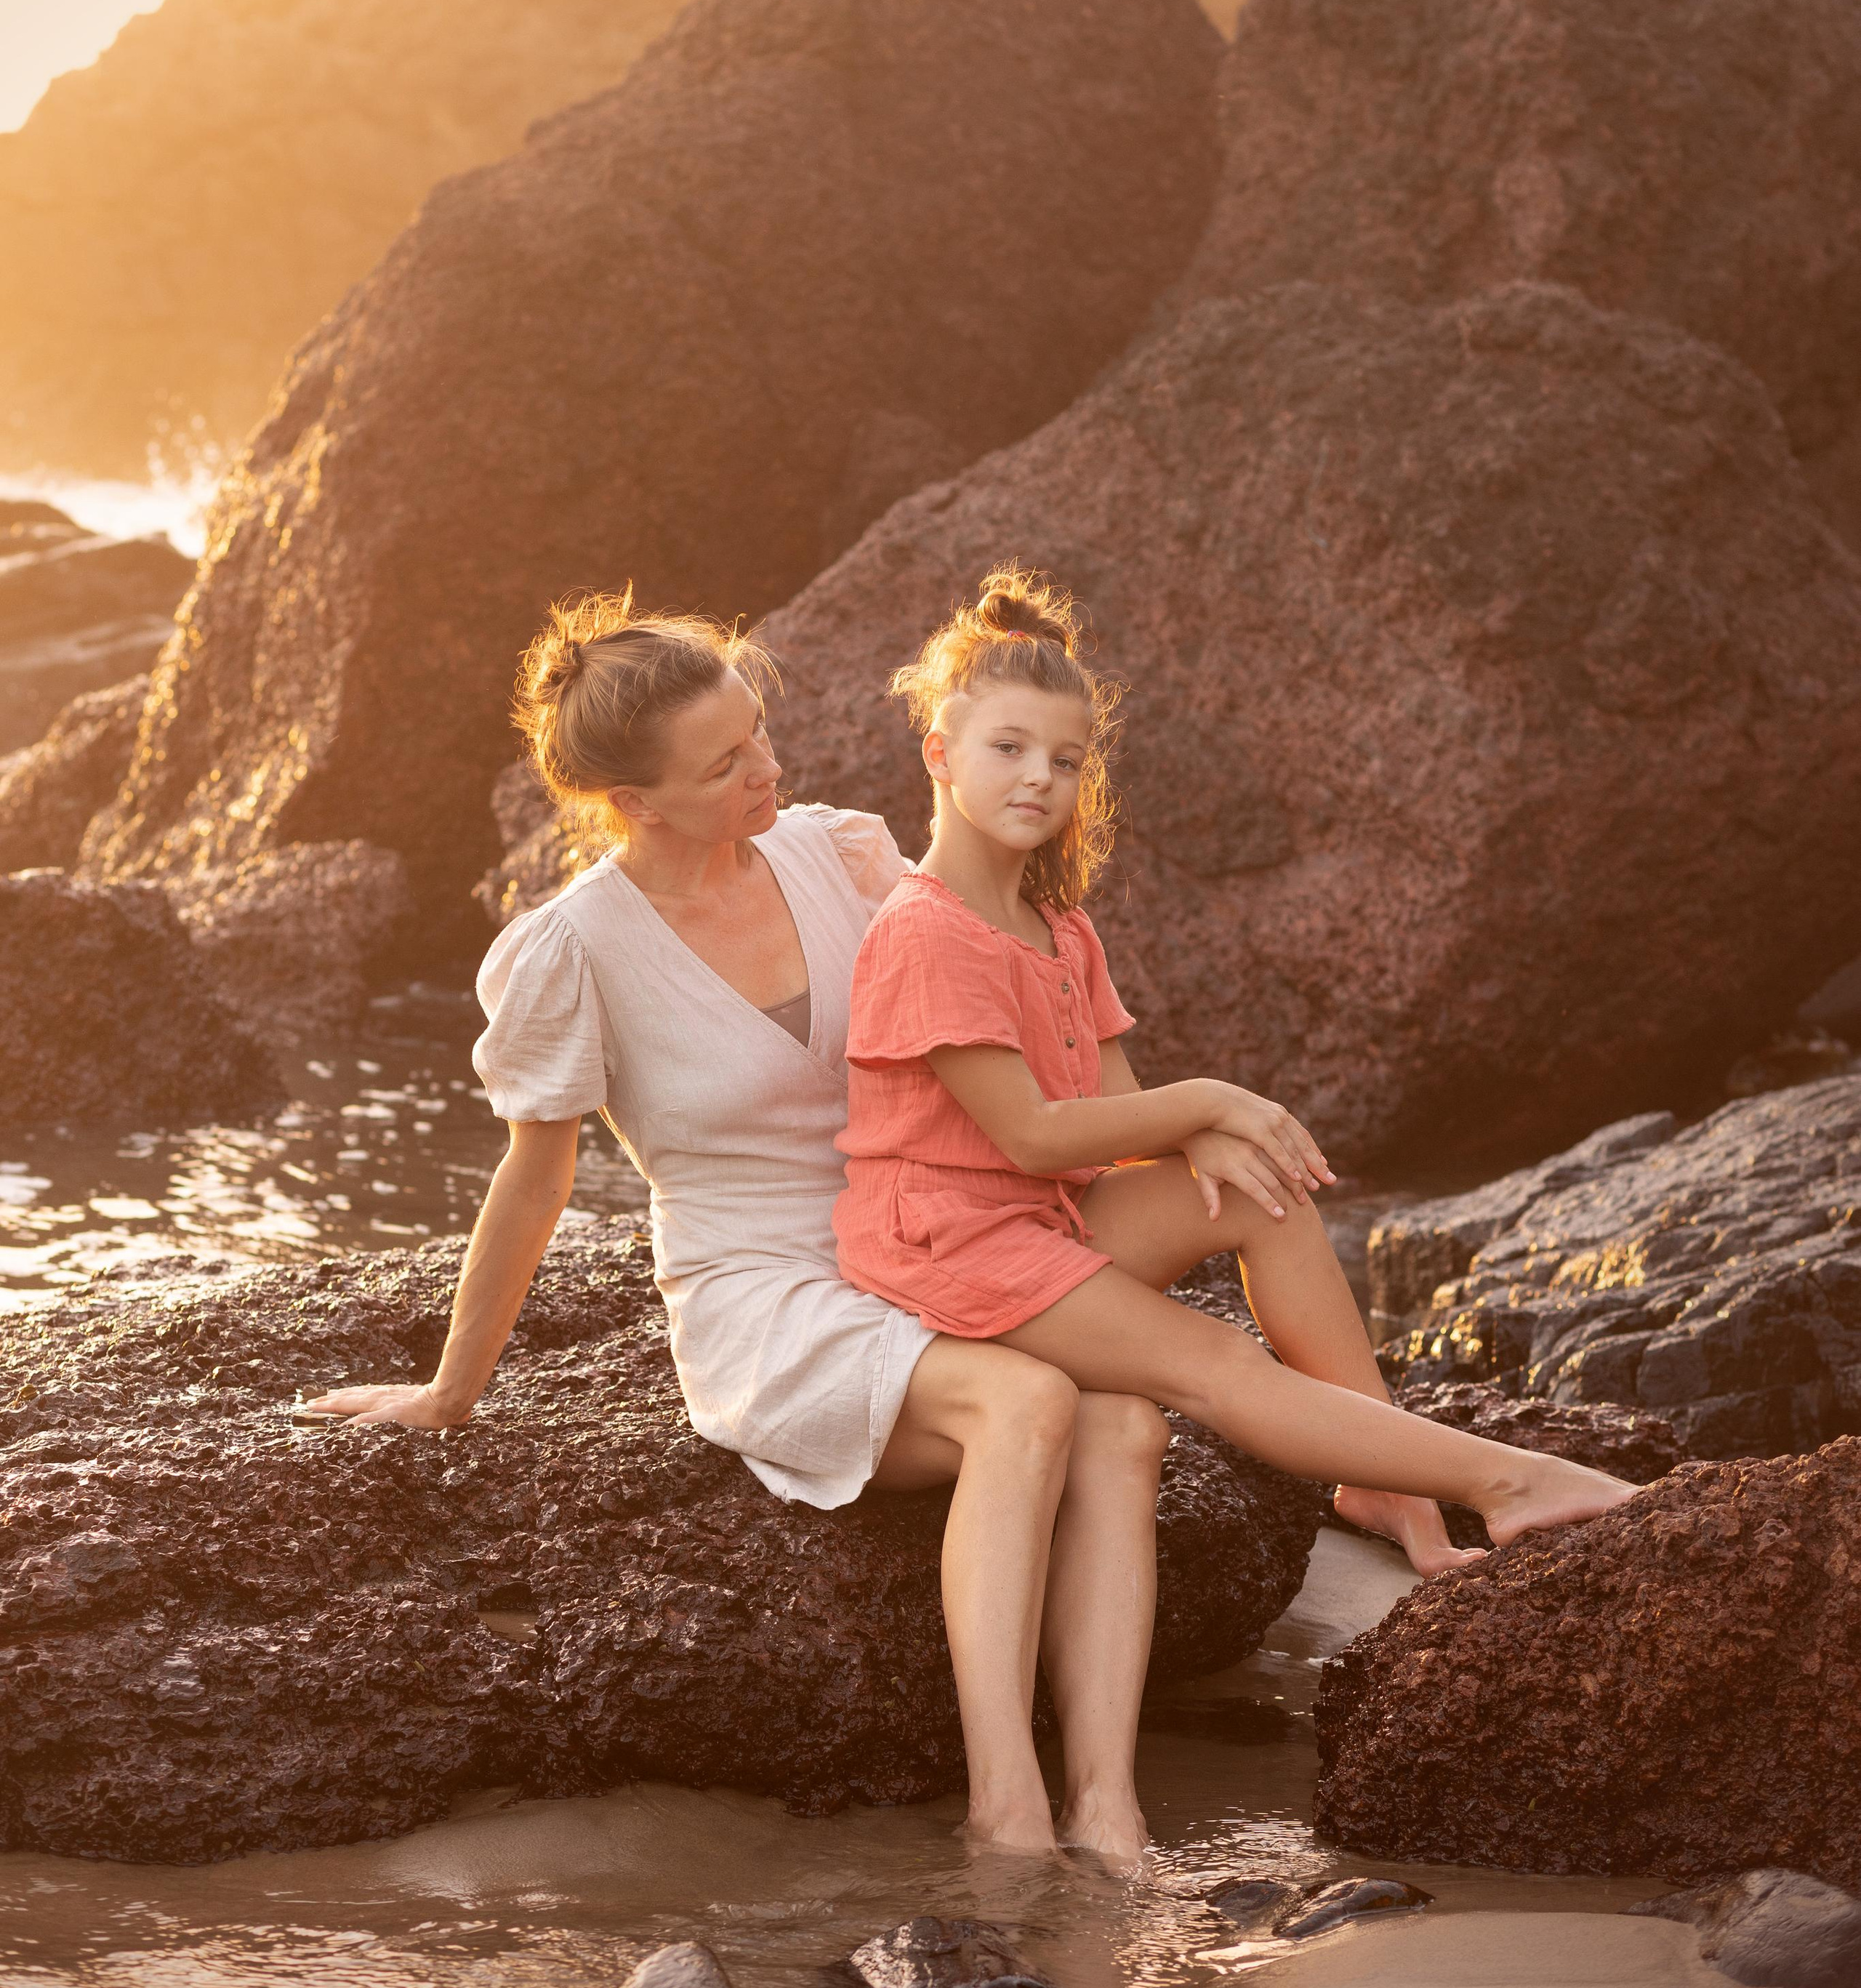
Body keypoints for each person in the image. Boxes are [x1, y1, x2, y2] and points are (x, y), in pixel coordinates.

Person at [301, 590, 1169, 1867]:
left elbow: (992, 1028)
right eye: (725, 764)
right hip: (765, 1292)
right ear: (635, 801)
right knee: (1028, 1402)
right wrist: (449, 1393)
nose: (768, 768)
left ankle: (1109, 1800)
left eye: (759, 735)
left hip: (929, 1238)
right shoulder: (573, 948)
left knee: (1128, 1424)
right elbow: (533, 1182)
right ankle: (1010, 1809)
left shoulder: (844, 854)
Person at [832, 566, 1639, 1582]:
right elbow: (1033, 1133)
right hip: (945, 1251)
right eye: (1009, 748)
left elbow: (1117, 1116)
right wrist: (1213, 1101)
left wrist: (1207, 1137)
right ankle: (1510, 1482)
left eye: (1066, 758)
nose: (1040, 776)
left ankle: (1384, 1480)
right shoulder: (924, 931)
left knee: (1264, 1191)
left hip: (1041, 1224)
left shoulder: (1058, 924)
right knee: (1215, 1362)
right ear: (939, 755)